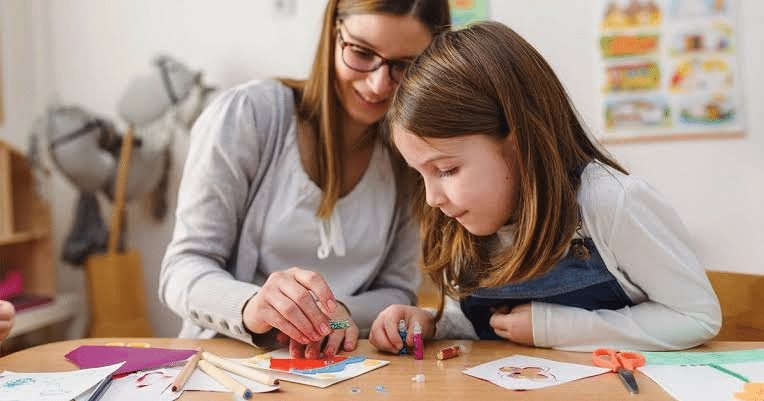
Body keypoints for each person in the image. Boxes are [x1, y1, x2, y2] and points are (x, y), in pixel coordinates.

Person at [370, 21, 721, 352]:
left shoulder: (611, 202)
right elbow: (474, 324)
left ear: (519, 144)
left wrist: (554, 327)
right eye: (421, 174)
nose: (432, 199)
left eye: (446, 170)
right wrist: (430, 325)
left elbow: (696, 317)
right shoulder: (461, 220)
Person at [159, 0, 450, 359]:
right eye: (361, 52)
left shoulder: (408, 153)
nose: (377, 85)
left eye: (405, 66)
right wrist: (252, 305)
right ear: (332, 35)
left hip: (346, 367)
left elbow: (397, 290)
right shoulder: (248, 116)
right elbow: (181, 270)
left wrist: (342, 312)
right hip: (229, 364)